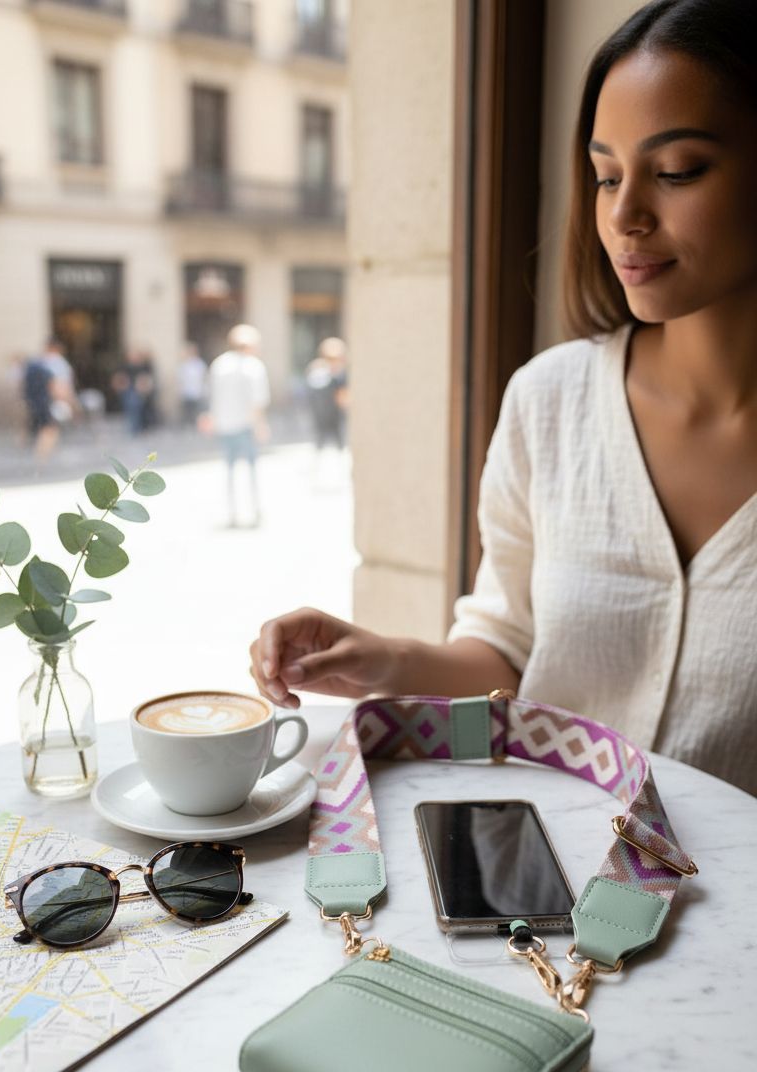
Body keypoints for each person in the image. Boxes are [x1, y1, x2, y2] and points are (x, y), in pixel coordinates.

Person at [250, 0, 757, 798]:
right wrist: (382, 658)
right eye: (605, 175)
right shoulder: (547, 404)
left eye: (676, 170)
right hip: (540, 892)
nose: (623, 215)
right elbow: (510, 650)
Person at [206, 323, 271, 528]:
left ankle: (233, 512)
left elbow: (212, 396)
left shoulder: (219, 364)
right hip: (246, 425)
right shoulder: (253, 366)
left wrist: (213, 419)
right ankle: (255, 509)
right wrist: (261, 425)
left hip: (225, 424)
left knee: (230, 469)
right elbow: (257, 401)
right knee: (251, 469)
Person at [24, 337, 76, 463]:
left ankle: (44, 454)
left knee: (43, 426)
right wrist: (69, 400)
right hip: (48, 400)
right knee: (50, 427)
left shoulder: (35, 363)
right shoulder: (55, 363)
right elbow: (58, 385)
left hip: (35, 400)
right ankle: (41, 456)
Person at [304, 336, 349, 452]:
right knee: (322, 443)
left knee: (340, 444)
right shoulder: (319, 372)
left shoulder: (341, 374)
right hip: (322, 416)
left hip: (336, 416)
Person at [112, 348, 157, 436]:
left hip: (140, 392)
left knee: (137, 407)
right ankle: (133, 428)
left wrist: (142, 387)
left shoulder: (144, 367)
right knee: (131, 407)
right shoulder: (124, 367)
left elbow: (147, 379)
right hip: (128, 391)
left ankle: (137, 428)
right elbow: (118, 378)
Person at [178, 341, 208, 427]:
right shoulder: (184, 364)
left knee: (197, 412)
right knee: (187, 411)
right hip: (186, 392)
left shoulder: (200, 364)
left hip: (197, 392)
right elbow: (181, 378)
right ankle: (187, 425)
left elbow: (204, 377)